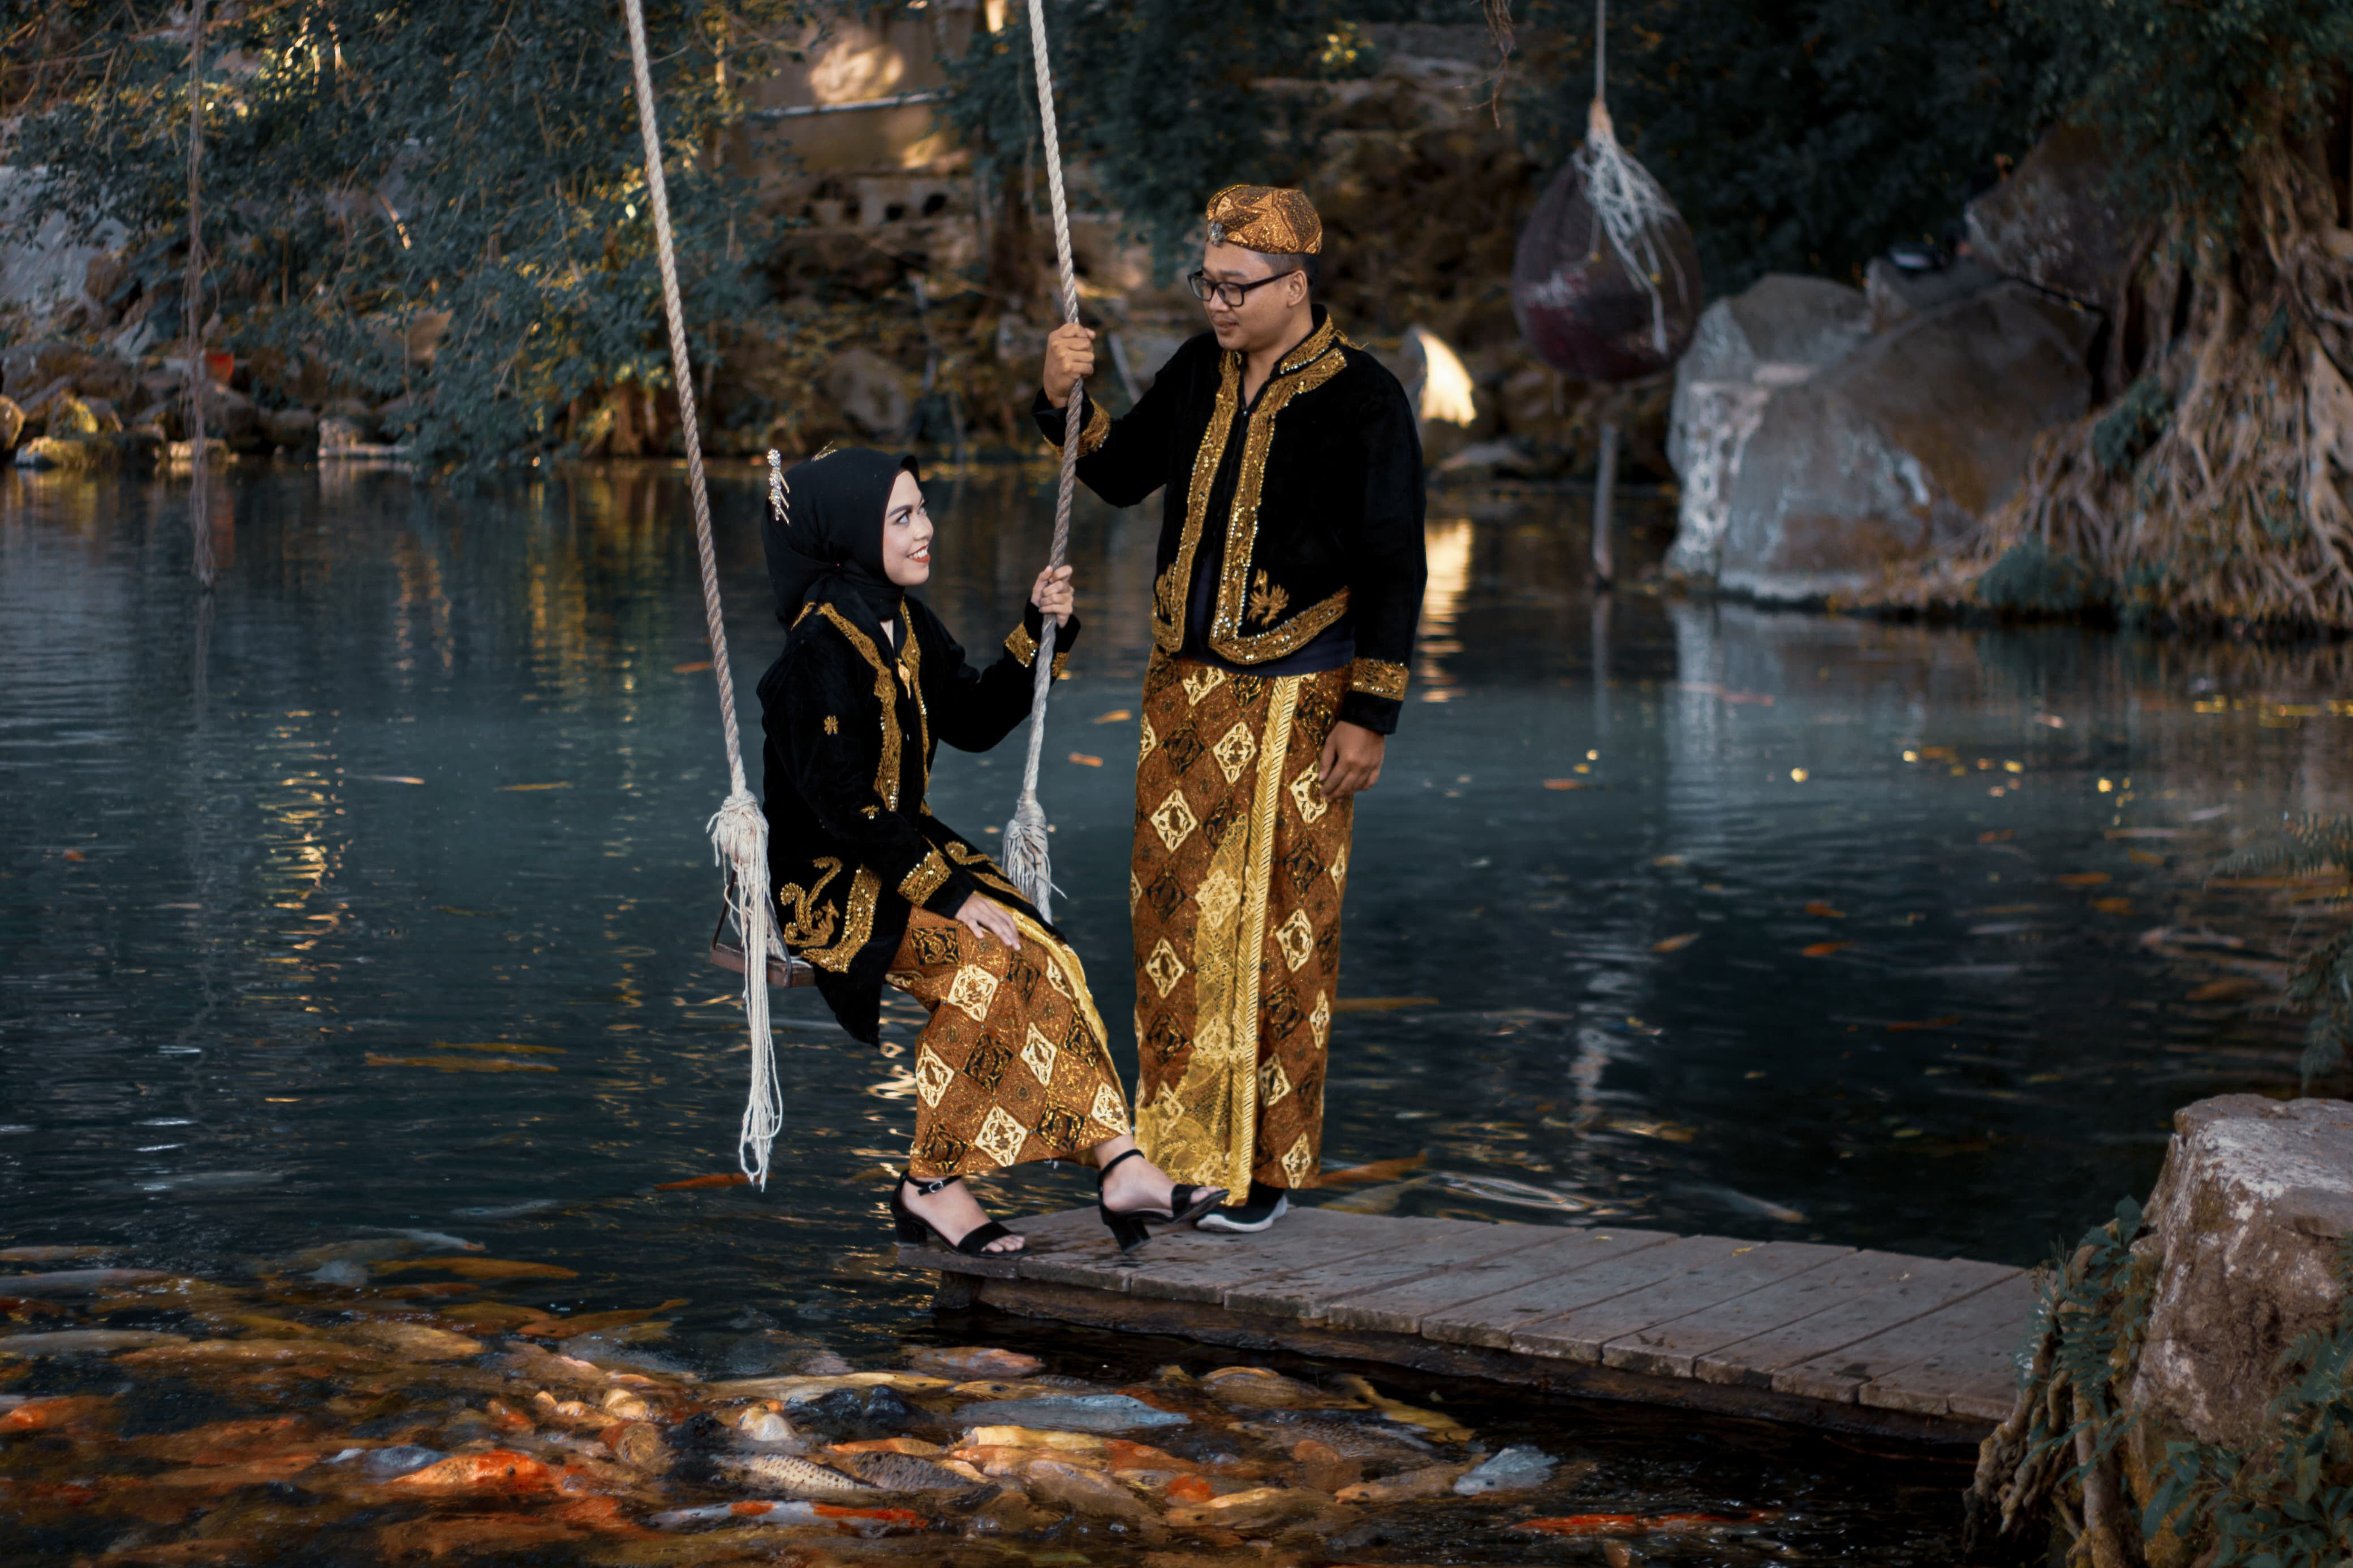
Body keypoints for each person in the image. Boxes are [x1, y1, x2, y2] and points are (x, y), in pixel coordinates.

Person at [1035, 185, 1427, 1233]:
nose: (1217, 303)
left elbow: (1396, 564)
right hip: (1182, 697)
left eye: (1236, 287)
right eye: (1206, 283)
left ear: (1296, 286)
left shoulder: (1365, 399)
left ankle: (1263, 1175)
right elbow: (1118, 475)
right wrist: (1058, 396)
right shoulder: (1197, 370)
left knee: (1276, 934)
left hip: (1303, 701)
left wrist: (1372, 714)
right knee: (1174, 924)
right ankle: (1176, 1158)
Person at [755, 446, 1225, 1255]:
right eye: (902, 517)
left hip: (900, 852)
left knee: (1039, 949)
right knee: (982, 964)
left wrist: (1041, 631)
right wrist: (949, 893)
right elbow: (842, 805)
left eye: (922, 509)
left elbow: (972, 718)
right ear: (851, 533)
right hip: (832, 881)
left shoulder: (903, 620)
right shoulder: (816, 651)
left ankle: (1121, 1164)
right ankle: (930, 1185)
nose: (926, 529)